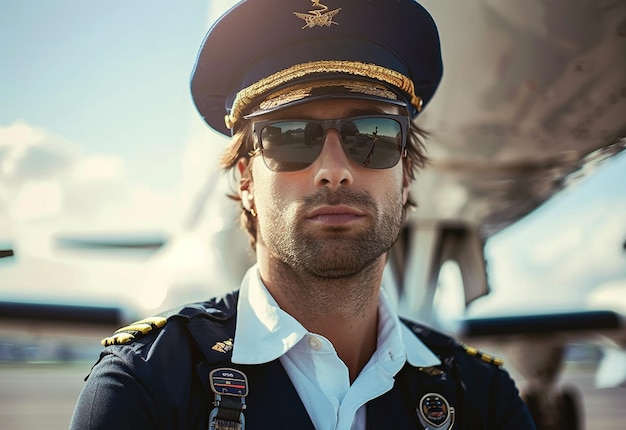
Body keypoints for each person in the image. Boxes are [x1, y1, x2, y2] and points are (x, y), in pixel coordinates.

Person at [70, 0, 536, 429]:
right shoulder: (142, 388)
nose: (334, 172)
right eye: (290, 136)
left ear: (407, 173)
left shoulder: (487, 401)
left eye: (372, 133)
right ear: (246, 180)